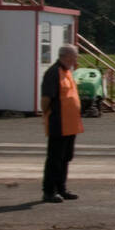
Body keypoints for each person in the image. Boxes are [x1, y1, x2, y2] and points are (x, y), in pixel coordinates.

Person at [40, 45, 84, 203]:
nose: (76, 60)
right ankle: (49, 191)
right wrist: (47, 114)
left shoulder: (67, 72)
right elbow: (46, 99)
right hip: (58, 123)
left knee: (66, 157)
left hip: (71, 124)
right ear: (65, 56)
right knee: (55, 158)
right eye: (74, 57)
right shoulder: (53, 73)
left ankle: (61, 188)